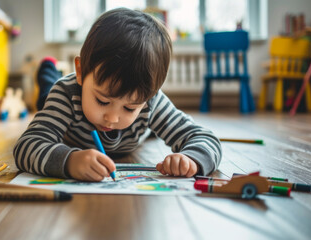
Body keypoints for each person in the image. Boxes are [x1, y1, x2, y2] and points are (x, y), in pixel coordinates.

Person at [14, 8, 222, 182]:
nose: (112, 118)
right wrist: (69, 161)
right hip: (62, 108)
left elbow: (206, 138)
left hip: (137, 135)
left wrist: (190, 159)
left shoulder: (152, 102)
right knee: (47, 96)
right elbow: (27, 146)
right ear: (80, 71)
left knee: (151, 126)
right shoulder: (66, 94)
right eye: (102, 100)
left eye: (130, 108)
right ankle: (47, 72)